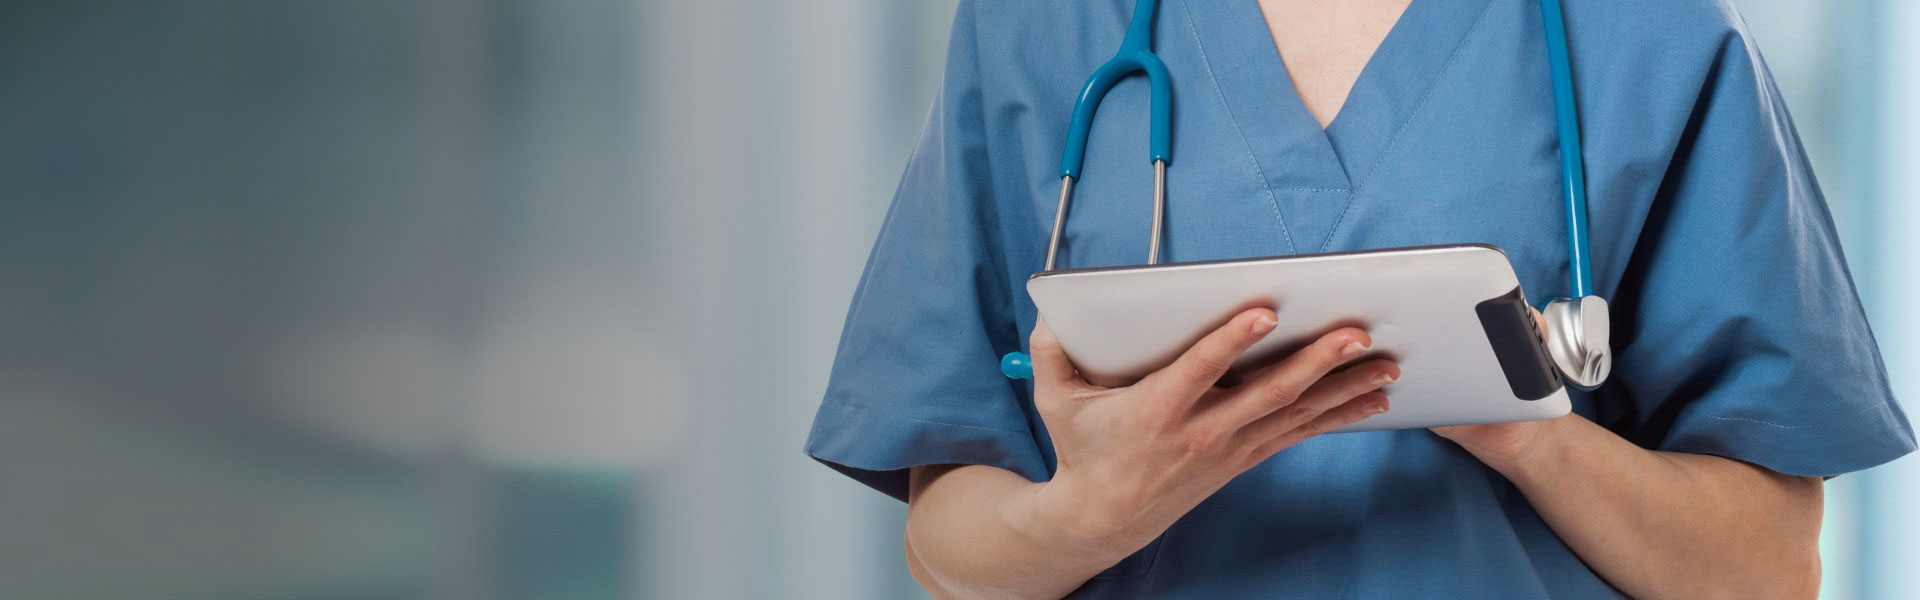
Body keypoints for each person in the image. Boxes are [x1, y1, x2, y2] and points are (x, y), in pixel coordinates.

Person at [805, 0, 1917, 597]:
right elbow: (949, 545)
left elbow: (1769, 572)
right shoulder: (1039, 27)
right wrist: (1083, 516)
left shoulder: (1649, 32)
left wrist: (1523, 427)